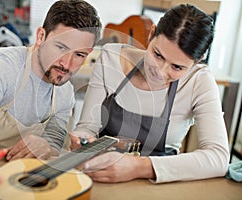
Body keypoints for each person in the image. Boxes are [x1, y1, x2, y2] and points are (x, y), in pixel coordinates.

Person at [0, 0, 101, 199]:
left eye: (79, 55)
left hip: (20, 188)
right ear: (41, 36)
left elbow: (56, 136)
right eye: (61, 47)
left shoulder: (64, 92)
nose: (67, 64)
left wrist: (45, 145)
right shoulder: (1, 65)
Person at [70, 4, 229, 184]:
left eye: (177, 67)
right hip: (103, 176)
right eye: (157, 55)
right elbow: (87, 128)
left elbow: (219, 158)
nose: (160, 72)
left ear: (197, 61)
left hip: (161, 185)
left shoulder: (199, 81)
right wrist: (83, 139)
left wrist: (139, 167)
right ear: (151, 34)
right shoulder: (111, 58)